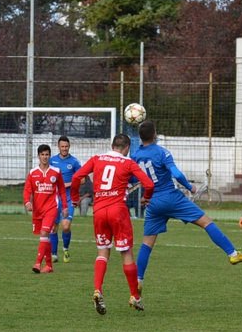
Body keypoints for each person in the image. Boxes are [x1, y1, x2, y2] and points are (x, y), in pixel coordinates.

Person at [132, 121, 242, 295]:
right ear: (154, 134)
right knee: (206, 222)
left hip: (153, 202)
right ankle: (232, 253)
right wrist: (190, 187)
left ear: (140, 137)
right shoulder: (161, 152)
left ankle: (138, 281)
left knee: (147, 244)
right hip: (170, 197)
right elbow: (176, 174)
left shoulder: (136, 156)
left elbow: (132, 179)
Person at [70, 134, 155, 315]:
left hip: (99, 211)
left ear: (112, 145)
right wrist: (146, 198)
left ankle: (98, 289)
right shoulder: (128, 163)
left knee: (102, 252)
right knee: (126, 253)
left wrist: (74, 198)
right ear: (127, 148)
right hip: (118, 211)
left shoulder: (97, 159)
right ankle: (134, 296)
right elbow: (149, 184)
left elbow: (77, 176)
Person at [23, 144, 68, 274]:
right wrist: (27, 202)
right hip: (38, 210)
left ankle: (38, 263)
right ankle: (49, 266)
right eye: (42, 154)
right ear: (38, 156)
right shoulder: (33, 173)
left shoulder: (56, 172)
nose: (45, 157)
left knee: (44, 233)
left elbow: (62, 192)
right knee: (45, 237)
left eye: (47, 154)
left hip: (51, 208)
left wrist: (64, 206)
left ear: (49, 155)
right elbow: (27, 190)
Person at [49, 136, 82, 263]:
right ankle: (54, 254)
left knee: (66, 226)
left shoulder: (74, 162)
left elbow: (82, 179)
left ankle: (66, 249)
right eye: (62, 147)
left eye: (66, 146)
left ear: (69, 147)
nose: (64, 149)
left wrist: (67, 184)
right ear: (58, 147)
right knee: (53, 227)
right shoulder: (52, 161)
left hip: (68, 199)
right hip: (55, 199)